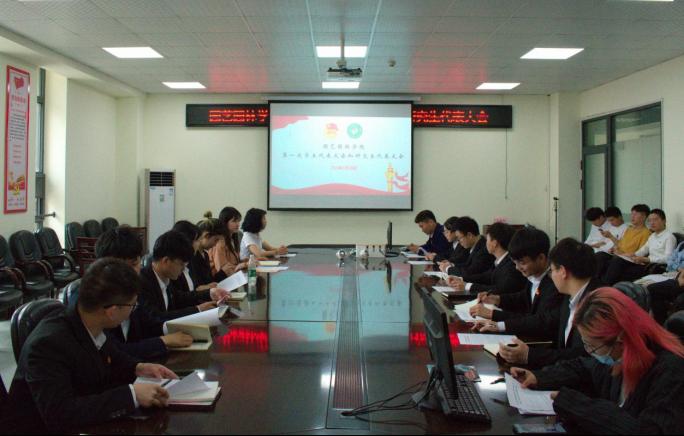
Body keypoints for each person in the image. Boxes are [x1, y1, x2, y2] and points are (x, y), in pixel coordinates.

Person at [2, 258, 178, 433]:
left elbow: (112, 355)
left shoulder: (87, 320)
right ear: (112, 311)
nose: (134, 310)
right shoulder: (47, 344)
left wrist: (139, 367)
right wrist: (132, 395)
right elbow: (60, 413)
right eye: (133, 305)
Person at [510, 287, 684, 434]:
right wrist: (540, 377)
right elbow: (584, 366)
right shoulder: (618, 356)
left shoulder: (671, 370)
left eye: (592, 346)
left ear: (620, 341)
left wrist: (578, 405)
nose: (590, 352)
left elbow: (649, 431)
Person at [474, 238, 603, 368]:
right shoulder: (571, 297)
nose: (550, 275)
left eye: (552, 270)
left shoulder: (598, 305)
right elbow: (544, 318)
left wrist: (530, 356)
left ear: (563, 272)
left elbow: (583, 357)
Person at [93, 227, 194, 359]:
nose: (136, 270)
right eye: (132, 265)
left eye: (137, 263)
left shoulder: (132, 289)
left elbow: (149, 322)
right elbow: (114, 351)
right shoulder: (96, 301)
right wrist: (163, 341)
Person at [468, 227, 564, 343]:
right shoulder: (534, 274)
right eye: (515, 263)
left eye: (522, 263)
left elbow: (538, 321)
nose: (517, 268)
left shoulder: (555, 284)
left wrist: (494, 316)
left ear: (541, 258)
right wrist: (497, 299)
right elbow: (524, 298)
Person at [139, 230, 220, 322]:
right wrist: (198, 310)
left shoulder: (164, 276)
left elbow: (178, 297)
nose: (183, 269)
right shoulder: (143, 282)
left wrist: (209, 294)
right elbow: (156, 317)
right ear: (166, 261)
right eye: (181, 264)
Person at [446, 222, 526, 295]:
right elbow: (486, 276)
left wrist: (467, 286)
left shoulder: (512, 265)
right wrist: (460, 279)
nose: (486, 243)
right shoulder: (501, 260)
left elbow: (500, 290)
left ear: (495, 243)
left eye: (487, 239)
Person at [602, 209, 676, 284]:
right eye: (650, 220)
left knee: (619, 266)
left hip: (657, 267)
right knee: (614, 262)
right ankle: (604, 286)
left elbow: (668, 259)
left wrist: (647, 259)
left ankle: (605, 287)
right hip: (647, 264)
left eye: (655, 220)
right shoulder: (652, 236)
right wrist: (633, 256)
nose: (652, 223)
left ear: (664, 221)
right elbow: (643, 250)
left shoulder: (669, 237)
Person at [595, 204, 652, 281]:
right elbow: (620, 244)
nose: (632, 216)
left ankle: (604, 284)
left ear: (644, 217)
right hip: (620, 255)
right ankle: (593, 281)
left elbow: (641, 253)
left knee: (617, 260)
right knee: (600, 255)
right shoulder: (629, 229)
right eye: (632, 214)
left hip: (629, 259)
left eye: (635, 214)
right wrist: (614, 248)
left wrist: (621, 254)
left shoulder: (646, 233)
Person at [170, 220, 224, 292]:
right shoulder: (190, 258)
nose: (198, 244)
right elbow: (193, 288)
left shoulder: (205, 255)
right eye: (197, 240)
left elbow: (206, 281)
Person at [209, 206, 248, 277]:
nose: (238, 224)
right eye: (234, 221)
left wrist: (246, 262)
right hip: (221, 280)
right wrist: (243, 265)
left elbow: (233, 263)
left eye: (238, 221)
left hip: (232, 276)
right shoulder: (219, 242)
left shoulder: (233, 239)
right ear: (225, 222)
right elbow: (222, 269)